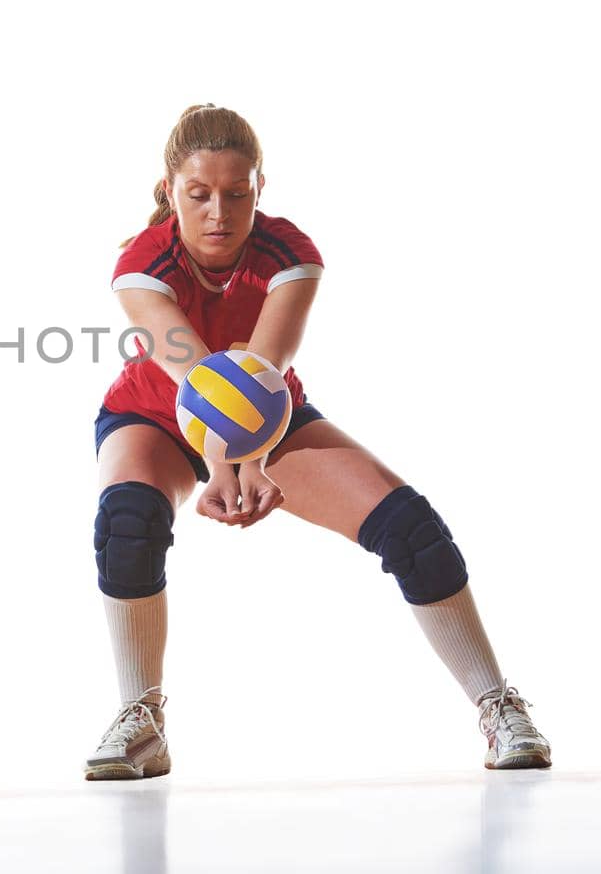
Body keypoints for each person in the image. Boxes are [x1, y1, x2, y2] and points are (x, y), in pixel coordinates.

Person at [86, 104, 551, 781]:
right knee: (127, 523)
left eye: (237, 194)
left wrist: (245, 460)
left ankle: (498, 705)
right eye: (200, 194)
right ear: (169, 189)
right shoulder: (141, 265)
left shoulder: (290, 256)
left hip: (268, 415)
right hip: (155, 417)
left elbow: (256, 375)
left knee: (411, 529)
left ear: (260, 188)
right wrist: (225, 466)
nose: (220, 212)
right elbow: (200, 383)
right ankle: (141, 718)